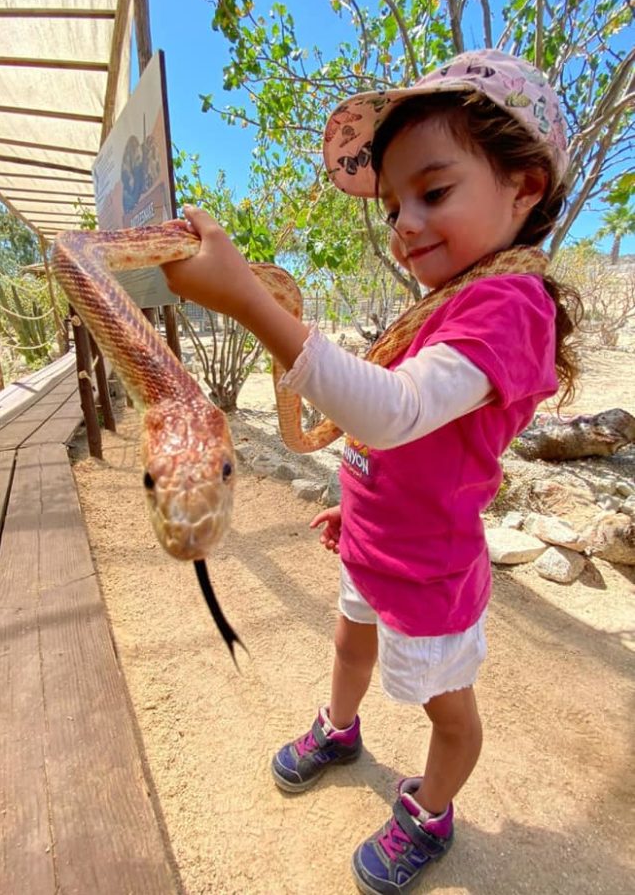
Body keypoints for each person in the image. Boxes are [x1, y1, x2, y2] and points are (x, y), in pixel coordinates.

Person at [162, 49, 581, 894]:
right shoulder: (450, 300)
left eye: (434, 190)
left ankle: (431, 808)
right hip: (374, 545)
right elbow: (402, 436)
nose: (407, 223)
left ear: (524, 186)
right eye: (395, 206)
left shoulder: (511, 306)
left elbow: (392, 408)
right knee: (350, 643)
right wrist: (357, 513)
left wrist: (248, 299)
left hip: (429, 570)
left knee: (446, 710)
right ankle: (341, 727)